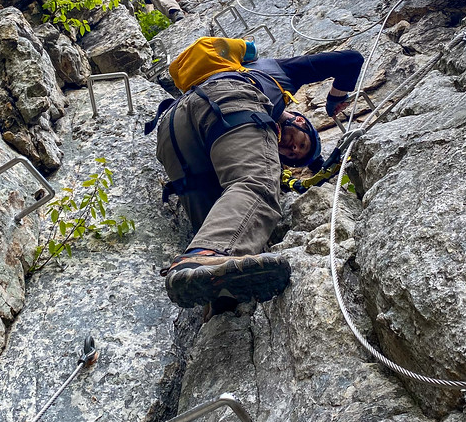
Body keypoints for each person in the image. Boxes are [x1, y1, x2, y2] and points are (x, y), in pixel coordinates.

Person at [155, 45, 363, 311]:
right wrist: (336, 97)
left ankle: (218, 296)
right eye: (302, 144)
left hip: (173, 126)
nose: (293, 149)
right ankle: (208, 257)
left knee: (215, 214)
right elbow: (351, 59)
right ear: (300, 121)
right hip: (226, 100)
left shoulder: (249, 84)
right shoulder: (281, 72)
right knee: (257, 182)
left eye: (292, 155)